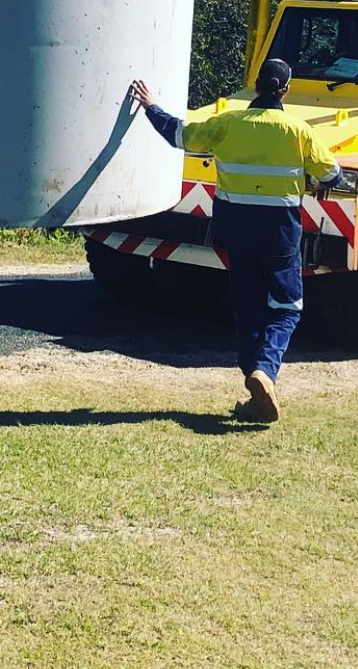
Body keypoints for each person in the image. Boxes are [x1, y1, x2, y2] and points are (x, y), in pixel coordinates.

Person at [130, 58, 346, 424]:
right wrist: (315, 183)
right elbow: (333, 174)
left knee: (246, 305)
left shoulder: (228, 124)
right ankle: (264, 370)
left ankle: (255, 387)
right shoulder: (297, 130)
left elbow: (178, 135)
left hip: (236, 229)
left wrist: (151, 106)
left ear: (256, 85)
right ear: (285, 90)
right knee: (287, 307)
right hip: (279, 233)